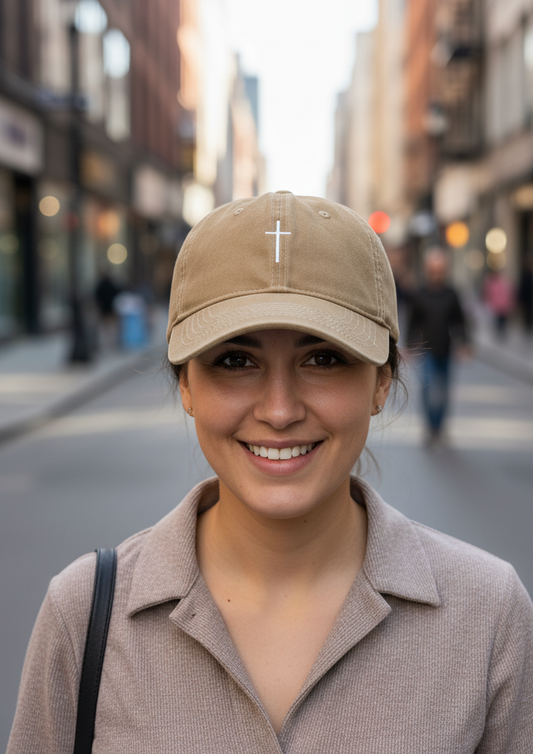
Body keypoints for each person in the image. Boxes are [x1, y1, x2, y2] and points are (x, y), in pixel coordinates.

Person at [8, 193, 533, 753]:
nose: (279, 410)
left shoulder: (488, 615)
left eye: (323, 357)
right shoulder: (85, 615)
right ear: (185, 384)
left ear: (382, 380)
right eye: (235, 361)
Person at [407, 247, 470, 445]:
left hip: (446, 348)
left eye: (440, 269)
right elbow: (413, 322)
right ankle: (430, 427)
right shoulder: (420, 294)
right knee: (427, 390)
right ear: (428, 270)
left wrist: (464, 343)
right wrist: (410, 345)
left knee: (443, 390)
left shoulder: (451, 294)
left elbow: (459, 321)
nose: (437, 273)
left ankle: (439, 427)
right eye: (433, 269)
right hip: (427, 351)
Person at [483, 267, 515, 339]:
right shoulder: (495, 282)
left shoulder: (499, 282)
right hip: (498, 305)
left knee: (501, 320)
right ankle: (500, 333)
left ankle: (501, 332)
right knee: (499, 320)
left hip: (501, 305)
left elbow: (508, 293)